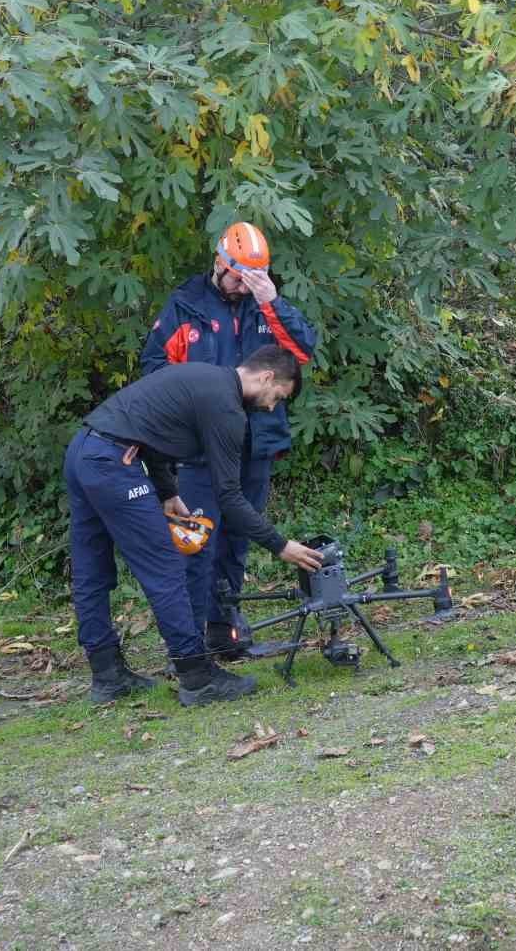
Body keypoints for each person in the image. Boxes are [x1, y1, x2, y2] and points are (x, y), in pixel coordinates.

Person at [64, 346, 324, 706]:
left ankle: (107, 675)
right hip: (112, 464)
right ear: (266, 377)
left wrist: (168, 491)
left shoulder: (203, 378)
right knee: (167, 567)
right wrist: (281, 545)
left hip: (83, 451)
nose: (271, 407)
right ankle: (197, 677)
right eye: (278, 397)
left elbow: (149, 427)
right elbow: (230, 497)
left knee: (91, 571)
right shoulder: (227, 408)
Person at [140, 222, 318, 658]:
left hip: (256, 441)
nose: (244, 284)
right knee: (197, 541)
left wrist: (270, 298)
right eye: (239, 274)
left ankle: (224, 631)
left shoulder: (265, 304)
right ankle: (187, 644)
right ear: (220, 263)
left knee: (238, 540)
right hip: (199, 450)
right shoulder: (186, 305)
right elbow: (155, 373)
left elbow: (302, 353)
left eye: (254, 276)